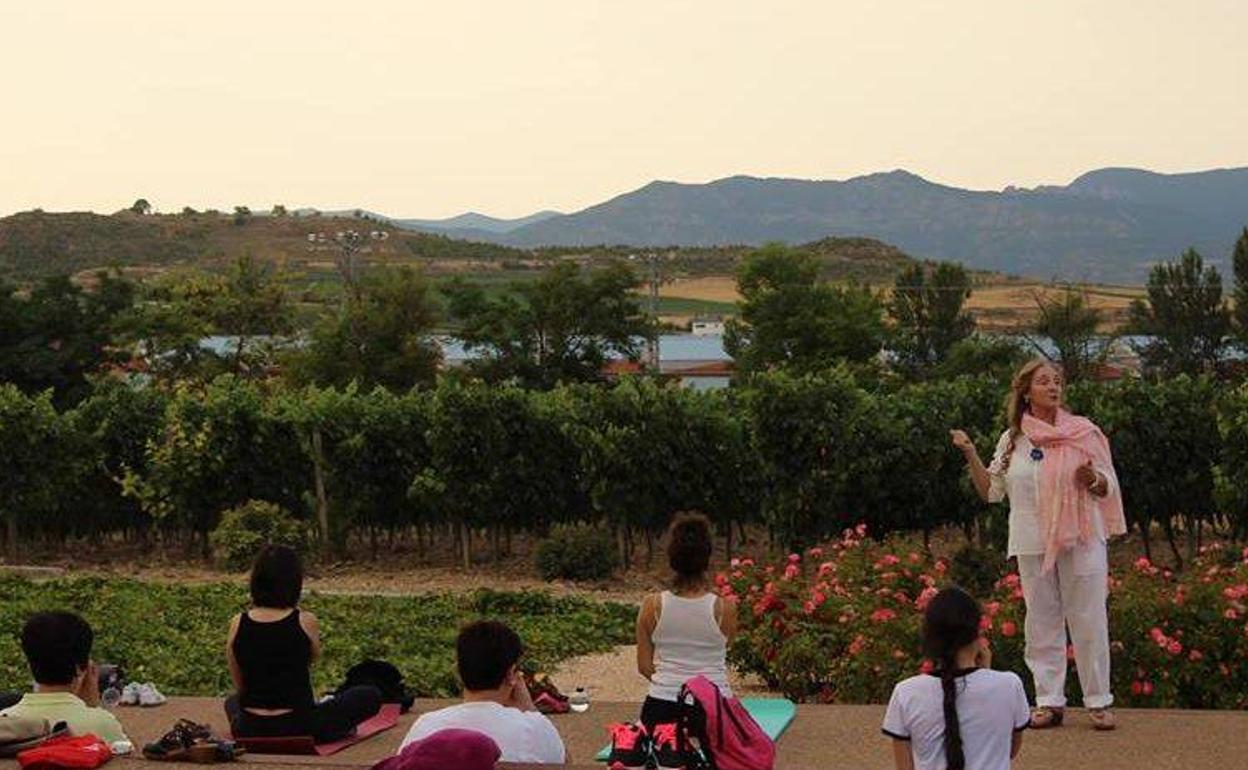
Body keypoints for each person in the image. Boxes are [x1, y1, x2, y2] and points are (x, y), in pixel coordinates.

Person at [951, 359, 1125, 731]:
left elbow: (1109, 485)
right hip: (1032, 540)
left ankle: (1098, 701)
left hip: (1082, 539)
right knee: (1042, 620)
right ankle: (1048, 701)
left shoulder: (1084, 433)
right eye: (1044, 381)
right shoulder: (1013, 439)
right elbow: (991, 492)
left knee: (1089, 618)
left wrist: (1092, 478)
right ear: (1026, 391)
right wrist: (969, 452)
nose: (1053, 387)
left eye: (1057, 381)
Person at [224, 545, 381, 742]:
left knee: (231, 702)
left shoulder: (237, 622)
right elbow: (310, 660)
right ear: (294, 583)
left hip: (249, 727)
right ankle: (336, 730)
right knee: (369, 695)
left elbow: (240, 686)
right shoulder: (305, 621)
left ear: (255, 582)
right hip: (300, 725)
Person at [882, 587, 1030, 770]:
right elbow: (1009, 750)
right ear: (977, 634)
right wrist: (987, 672)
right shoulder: (1009, 685)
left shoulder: (905, 693)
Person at [398, 620, 565, 765]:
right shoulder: (534, 728)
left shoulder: (426, 726)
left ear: (458, 672)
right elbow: (564, 764)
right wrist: (530, 709)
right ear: (511, 674)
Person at [636, 512, 737, 730]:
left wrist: (671, 682)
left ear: (672, 557)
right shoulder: (725, 609)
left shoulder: (651, 606)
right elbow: (724, 649)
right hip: (715, 707)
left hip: (661, 706)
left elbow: (644, 666)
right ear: (707, 557)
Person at [0, 611, 128, 743]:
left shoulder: (5, 723)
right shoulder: (103, 724)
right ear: (81, 668)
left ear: (29, 664)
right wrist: (92, 709)